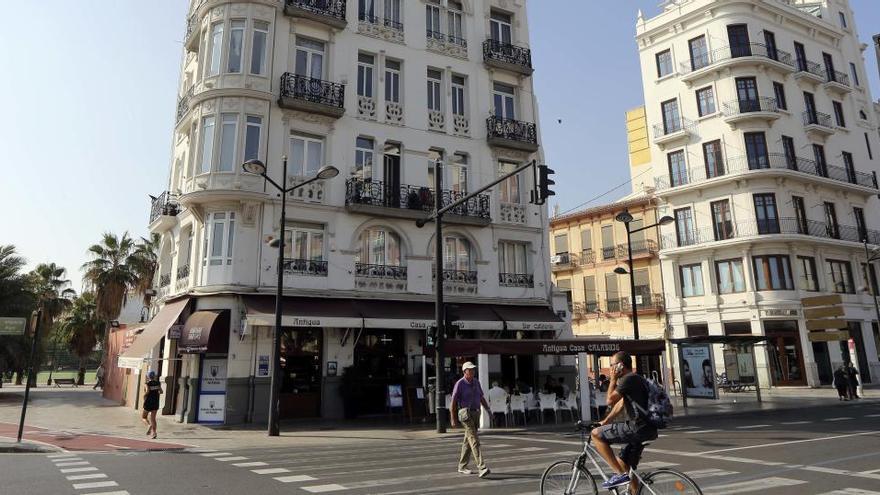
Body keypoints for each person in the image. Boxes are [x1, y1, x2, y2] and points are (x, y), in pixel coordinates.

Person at [591, 351, 658, 491]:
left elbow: (609, 400)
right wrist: (606, 421)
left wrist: (613, 380)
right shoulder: (637, 378)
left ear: (620, 366)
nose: (610, 368)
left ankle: (619, 475)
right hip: (648, 429)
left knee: (596, 434)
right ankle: (632, 486)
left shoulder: (628, 379)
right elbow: (620, 403)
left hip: (637, 428)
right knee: (623, 463)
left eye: (612, 365)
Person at [450, 362, 491, 478]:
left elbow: (481, 397)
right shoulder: (460, 384)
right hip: (465, 414)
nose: (472, 371)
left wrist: (488, 410)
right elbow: (453, 402)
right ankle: (481, 467)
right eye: (470, 370)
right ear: (464, 372)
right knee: (474, 440)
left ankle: (462, 466)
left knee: (468, 441)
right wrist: (453, 419)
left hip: (475, 413)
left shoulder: (476, 382)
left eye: (473, 369)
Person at [141, 370, 162, 439]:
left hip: (148, 402)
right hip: (155, 402)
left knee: (144, 417)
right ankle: (154, 433)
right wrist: (156, 393)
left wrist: (144, 396)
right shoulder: (158, 383)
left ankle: (148, 425)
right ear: (154, 376)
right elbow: (161, 391)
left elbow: (147, 391)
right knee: (153, 418)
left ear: (148, 376)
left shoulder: (147, 383)